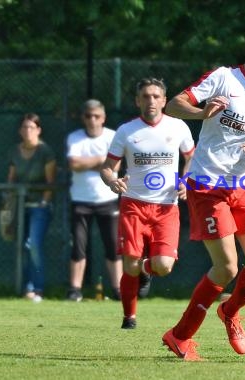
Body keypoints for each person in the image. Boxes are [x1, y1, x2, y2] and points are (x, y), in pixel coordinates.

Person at [161, 21, 245, 361]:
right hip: (207, 185)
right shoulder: (222, 77)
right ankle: (180, 336)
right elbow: (174, 105)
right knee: (227, 268)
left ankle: (230, 312)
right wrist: (201, 111)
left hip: (244, 186)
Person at [100, 78, 195, 328]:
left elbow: (192, 158)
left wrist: (186, 180)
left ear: (164, 100)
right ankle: (129, 317)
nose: (150, 100)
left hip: (167, 207)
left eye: (156, 96)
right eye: (145, 96)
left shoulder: (178, 127)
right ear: (137, 100)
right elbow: (108, 168)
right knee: (129, 266)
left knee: (163, 267)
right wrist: (112, 181)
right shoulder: (126, 131)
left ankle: (144, 270)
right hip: (133, 204)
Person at [66, 99, 122, 302]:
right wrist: (101, 161)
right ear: (83, 118)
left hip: (108, 199)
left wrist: (92, 163)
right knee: (78, 247)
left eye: (96, 116)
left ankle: (118, 290)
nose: (92, 120)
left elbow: (115, 167)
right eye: (88, 116)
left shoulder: (113, 136)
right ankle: (74, 290)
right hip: (80, 201)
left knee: (113, 246)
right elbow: (74, 164)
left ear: (103, 118)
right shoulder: (75, 137)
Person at [6, 113, 56, 302]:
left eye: (31, 127)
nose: (28, 131)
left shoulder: (46, 152)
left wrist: (43, 202)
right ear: (20, 131)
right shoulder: (13, 151)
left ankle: (38, 288)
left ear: (38, 130)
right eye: (25, 127)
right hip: (19, 206)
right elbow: (11, 178)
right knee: (22, 246)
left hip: (40, 207)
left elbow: (50, 182)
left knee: (33, 244)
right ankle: (27, 287)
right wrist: (9, 202)